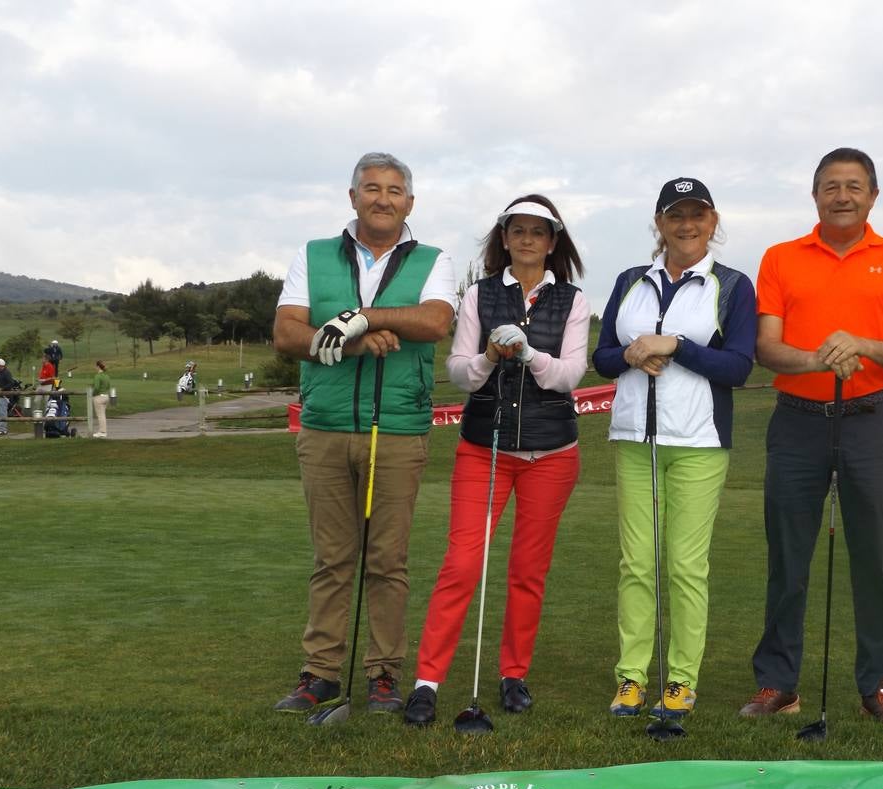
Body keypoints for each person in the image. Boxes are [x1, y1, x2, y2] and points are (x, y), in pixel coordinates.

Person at [741, 147, 883, 725]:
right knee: (788, 558)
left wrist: (860, 344)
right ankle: (778, 683)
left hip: (870, 419)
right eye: (831, 186)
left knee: (874, 557)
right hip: (797, 420)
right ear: (815, 195)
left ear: (873, 195)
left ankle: (878, 684)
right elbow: (766, 347)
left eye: (854, 186)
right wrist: (818, 357)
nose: (842, 195)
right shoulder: (780, 257)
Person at [271, 152, 456, 715]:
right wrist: (349, 342)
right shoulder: (314, 254)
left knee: (387, 560)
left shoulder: (433, 258)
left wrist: (366, 317)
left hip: (397, 428)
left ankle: (381, 675)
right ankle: (321, 673)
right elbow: (286, 331)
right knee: (332, 558)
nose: (383, 198)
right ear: (352, 197)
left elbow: (434, 322)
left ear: (410, 203)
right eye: (371, 188)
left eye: (395, 190)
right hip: (326, 425)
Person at [402, 196, 589, 726]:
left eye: (539, 232)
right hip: (485, 449)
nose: (528, 239)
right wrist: (487, 355)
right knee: (461, 564)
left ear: (553, 242)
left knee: (528, 571)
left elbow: (569, 376)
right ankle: (427, 681)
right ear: (503, 238)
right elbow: (460, 373)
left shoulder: (571, 301)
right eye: (517, 231)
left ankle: (513, 675)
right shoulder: (480, 296)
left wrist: (529, 353)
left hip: (552, 454)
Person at [592, 178, 756, 720]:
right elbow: (603, 358)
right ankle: (632, 677)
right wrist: (634, 353)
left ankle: (681, 680)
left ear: (712, 222)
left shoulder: (731, 286)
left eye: (697, 215)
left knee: (686, 565)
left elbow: (738, 366)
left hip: (699, 442)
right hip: (635, 438)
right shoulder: (629, 280)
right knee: (636, 563)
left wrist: (677, 346)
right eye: (675, 215)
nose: (686, 225)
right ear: (659, 224)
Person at [0, 358, 16, 436]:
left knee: (2, 412)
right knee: (0, 411)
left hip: (5, 395)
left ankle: (3, 429)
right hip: (0, 395)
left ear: (0, 365)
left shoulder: (6, 373)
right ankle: (1, 428)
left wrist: (2, 388)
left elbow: (11, 383)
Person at [91, 361, 111, 438]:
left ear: (98, 367)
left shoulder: (97, 376)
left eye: (95, 366)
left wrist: (92, 394)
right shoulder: (106, 376)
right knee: (102, 415)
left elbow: (96, 387)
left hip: (99, 397)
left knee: (100, 415)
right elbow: (108, 386)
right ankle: (103, 431)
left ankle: (102, 432)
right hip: (106, 396)